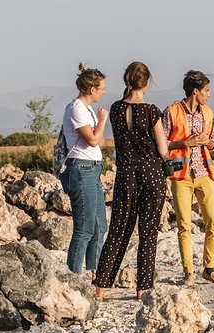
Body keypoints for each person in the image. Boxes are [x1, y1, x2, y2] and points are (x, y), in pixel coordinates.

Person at [92, 62, 168, 299]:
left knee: (118, 228)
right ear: (146, 83)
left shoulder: (115, 109)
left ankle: (101, 285)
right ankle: (142, 287)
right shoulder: (152, 111)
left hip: (126, 174)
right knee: (147, 232)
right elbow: (163, 148)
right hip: (151, 173)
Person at [162, 70, 214, 286]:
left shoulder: (208, 112)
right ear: (195, 91)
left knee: (213, 222)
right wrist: (183, 144)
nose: (209, 95)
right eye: (206, 90)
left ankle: (209, 268)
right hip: (181, 176)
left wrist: (208, 142)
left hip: (205, 173)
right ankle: (188, 272)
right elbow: (161, 143)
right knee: (184, 226)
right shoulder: (171, 112)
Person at [60, 63, 108, 286]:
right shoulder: (76, 109)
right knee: (85, 227)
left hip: (93, 169)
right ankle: (72, 278)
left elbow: (98, 141)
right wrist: (103, 120)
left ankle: (94, 271)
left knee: (100, 225)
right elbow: (92, 139)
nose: (104, 91)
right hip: (81, 170)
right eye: (101, 88)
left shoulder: (87, 110)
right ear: (91, 89)